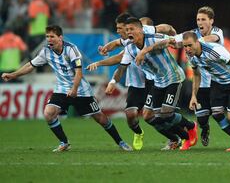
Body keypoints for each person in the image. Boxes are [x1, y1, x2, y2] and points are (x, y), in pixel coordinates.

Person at [1, 25, 132, 152]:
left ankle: (120, 142)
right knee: (49, 113)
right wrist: (13, 74)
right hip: (62, 89)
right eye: (47, 36)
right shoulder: (46, 51)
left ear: (60, 37)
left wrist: (74, 89)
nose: (49, 39)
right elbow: (30, 65)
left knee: (100, 118)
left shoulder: (71, 50)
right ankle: (64, 143)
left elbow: (79, 72)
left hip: (81, 90)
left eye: (52, 36)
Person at [120, 17, 198, 151]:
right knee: (149, 116)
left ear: (141, 29)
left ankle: (191, 127)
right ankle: (178, 137)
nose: (128, 32)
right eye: (126, 30)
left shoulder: (152, 37)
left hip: (173, 77)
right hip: (158, 82)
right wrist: (112, 80)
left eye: (131, 29)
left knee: (166, 114)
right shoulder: (130, 48)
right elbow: (121, 62)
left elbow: (167, 40)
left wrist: (145, 50)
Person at [182, 31, 230, 151]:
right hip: (217, 84)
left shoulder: (214, 51)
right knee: (217, 114)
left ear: (197, 42)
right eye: (185, 46)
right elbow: (197, 74)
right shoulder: (191, 56)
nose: (187, 49)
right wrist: (194, 95)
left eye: (190, 45)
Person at [86, 13, 149, 151]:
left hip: (153, 82)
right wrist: (104, 50)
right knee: (131, 115)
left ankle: (174, 137)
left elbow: (117, 57)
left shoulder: (144, 39)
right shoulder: (127, 43)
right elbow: (116, 45)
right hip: (136, 84)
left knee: (157, 115)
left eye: (120, 28)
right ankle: (138, 133)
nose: (118, 31)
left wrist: (100, 63)